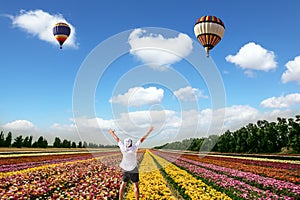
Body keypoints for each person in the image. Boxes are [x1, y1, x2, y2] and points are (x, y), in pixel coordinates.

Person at [108, 126, 154, 200]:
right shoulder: (134, 148)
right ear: (130, 143)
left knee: (123, 184)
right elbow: (142, 139)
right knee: (135, 185)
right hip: (133, 168)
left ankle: (120, 199)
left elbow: (117, 139)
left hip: (126, 168)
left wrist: (112, 133)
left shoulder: (123, 148)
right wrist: (149, 132)